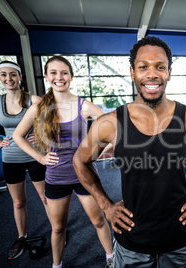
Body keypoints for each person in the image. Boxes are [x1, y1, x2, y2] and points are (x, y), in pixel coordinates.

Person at [73, 36, 186, 268]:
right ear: (132, 72)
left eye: (160, 67)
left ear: (169, 72)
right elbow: (79, 161)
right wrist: (106, 205)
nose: (152, 74)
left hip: (179, 239)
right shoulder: (111, 122)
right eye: (143, 67)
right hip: (131, 242)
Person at [13, 56, 114, 268]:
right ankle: (56, 265)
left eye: (64, 72)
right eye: (54, 72)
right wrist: (40, 157)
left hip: (85, 175)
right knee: (58, 228)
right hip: (56, 177)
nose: (59, 77)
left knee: (98, 220)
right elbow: (17, 136)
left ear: (71, 76)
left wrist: (95, 153)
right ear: (47, 76)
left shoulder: (83, 106)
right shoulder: (38, 108)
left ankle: (111, 258)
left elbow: (112, 128)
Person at [0, 61, 50, 260]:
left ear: (20, 76)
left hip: (35, 155)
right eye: (4, 75)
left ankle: (57, 231)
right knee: (18, 203)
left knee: (46, 198)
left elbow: (52, 122)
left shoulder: (34, 99)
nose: (8, 78)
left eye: (12, 74)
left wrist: (41, 135)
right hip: (10, 157)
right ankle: (21, 236)